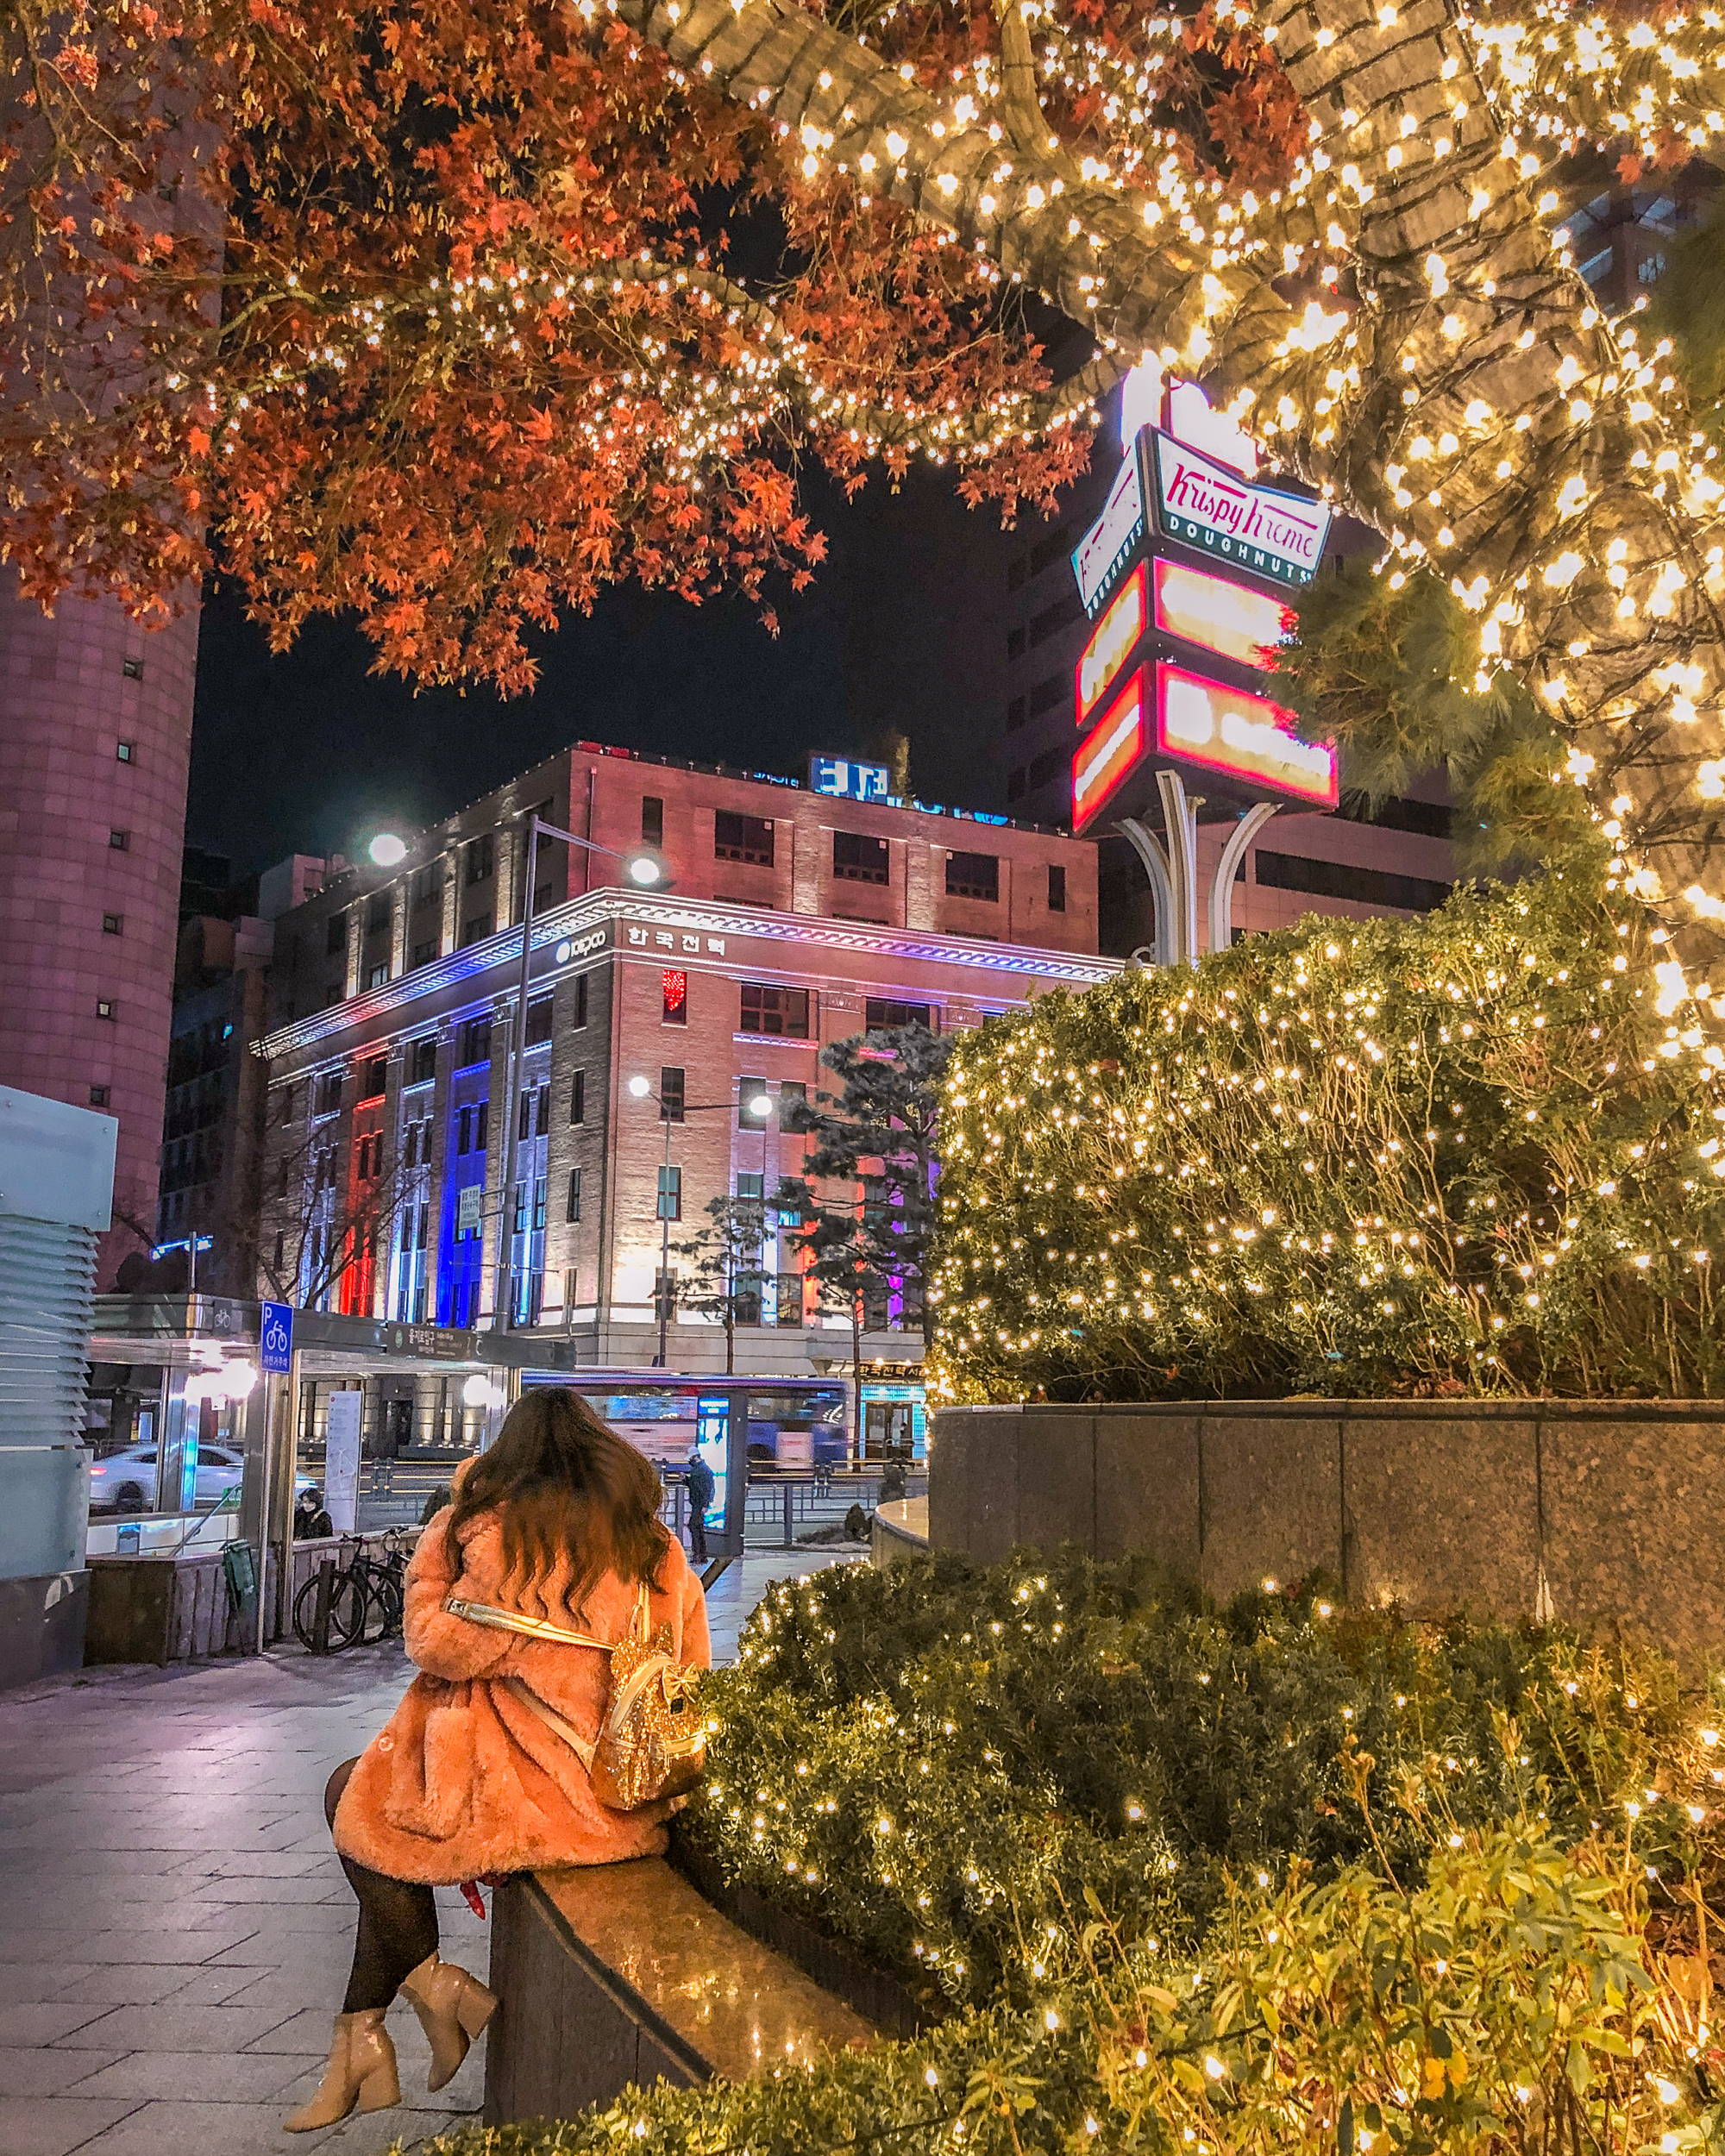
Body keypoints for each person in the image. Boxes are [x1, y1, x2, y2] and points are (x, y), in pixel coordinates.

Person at [285, 1388, 710, 2131]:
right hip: (621, 1792)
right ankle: (369, 2039)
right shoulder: (655, 1547)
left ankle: (428, 1995)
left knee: (355, 1802)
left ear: (510, 1454)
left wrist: (442, 1550)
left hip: (527, 1795)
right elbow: (691, 1664)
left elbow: (436, 1644)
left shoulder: (493, 1534)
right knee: (369, 1808)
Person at [684, 1445, 714, 1562]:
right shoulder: (700, 1469)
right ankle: (701, 1554)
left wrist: (705, 1504)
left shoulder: (703, 1470)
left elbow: (707, 1488)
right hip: (697, 1503)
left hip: (699, 1503)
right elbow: (695, 1485)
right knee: (697, 1527)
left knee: (695, 1527)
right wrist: (686, 1480)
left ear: (695, 1457)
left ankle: (698, 1554)